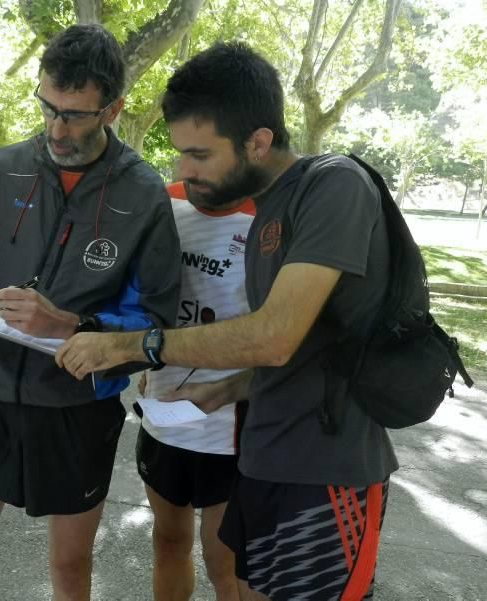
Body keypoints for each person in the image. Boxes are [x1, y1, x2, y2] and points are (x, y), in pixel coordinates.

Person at [56, 42, 399, 601]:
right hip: (264, 454)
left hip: (326, 471)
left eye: (198, 155)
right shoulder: (272, 211)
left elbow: (275, 337)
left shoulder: (332, 185)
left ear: (257, 142)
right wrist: (231, 388)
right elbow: (310, 349)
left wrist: (130, 346)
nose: (183, 171)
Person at [0, 24, 181, 601]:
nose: (57, 129)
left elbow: (158, 324)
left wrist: (70, 326)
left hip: (75, 408)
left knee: (69, 571)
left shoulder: (142, 194)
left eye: (76, 115)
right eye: (48, 108)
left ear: (112, 108)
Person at [136, 178, 255, 601]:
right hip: (164, 411)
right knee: (168, 541)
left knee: (224, 561)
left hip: (229, 427)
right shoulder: (167, 200)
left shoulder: (272, 216)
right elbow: (146, 292)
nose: (189, 164)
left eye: (202, 153)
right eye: (184, 151)